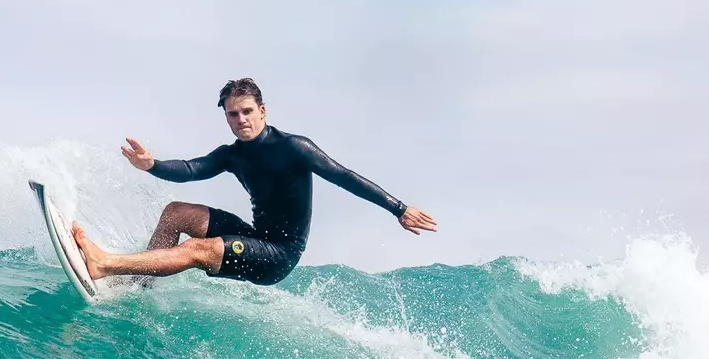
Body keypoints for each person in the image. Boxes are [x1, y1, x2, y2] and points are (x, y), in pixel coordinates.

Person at [72, 78, 437, 286]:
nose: (241, 119)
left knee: (199, 250)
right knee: (176, 213)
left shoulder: (294, 147)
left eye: (247, 112)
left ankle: (106, 264)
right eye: (233, 114)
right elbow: (191, 169)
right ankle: (140, 286)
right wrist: (151, 165)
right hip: (255, 236)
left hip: (278, 256)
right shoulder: (233, 154)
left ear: (262, 111)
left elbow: (344, 177)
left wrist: (399, 209)